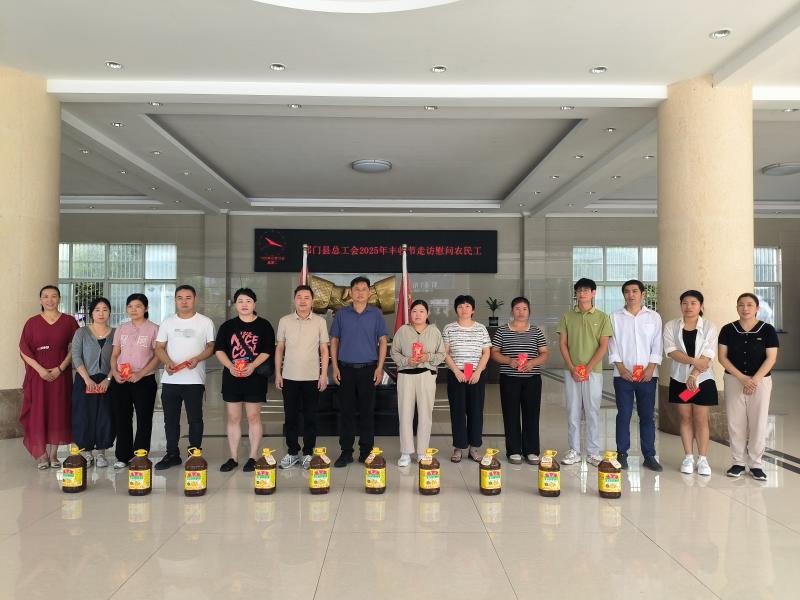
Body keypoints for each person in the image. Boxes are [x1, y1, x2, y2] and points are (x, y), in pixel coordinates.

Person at [718, 293, 779, 481]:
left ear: (757, 308)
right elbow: (722, 357)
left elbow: (771, 358)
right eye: (741, 305)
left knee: (758, 422)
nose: (745, 308)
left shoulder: (767, 330)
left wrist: (754, 380)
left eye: (750, 305)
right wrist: (743, 378)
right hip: (734, 380)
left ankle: (756, 464)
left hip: (761, 382)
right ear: (737, 308)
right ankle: (737, 462)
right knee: (735, 423)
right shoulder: (728, 329)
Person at [154, 285, 215, 470]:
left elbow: (211, 347)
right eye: (180, 298)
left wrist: (198, 358)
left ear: (195, 299)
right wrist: (167, 362)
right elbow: (159, 347)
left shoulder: (205, 322)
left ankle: (194, 454)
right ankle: (172, 454)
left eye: (188, 297)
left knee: (195, 418)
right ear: (175, 300)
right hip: (170, 379)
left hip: (194, 380)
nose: (184, 301)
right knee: (170, 420)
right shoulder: (167, 322)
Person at [330, 276, 388, 468]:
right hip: (345, 369)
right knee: (346, 412)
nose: (360, 292)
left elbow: (383, 341)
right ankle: (346, 452)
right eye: (357, 289)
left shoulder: (376, 314)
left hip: (369, 369)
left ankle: (366, 452)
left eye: (364, 289)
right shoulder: (341, 314)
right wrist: (335, 366)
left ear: (369, 293)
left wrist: (380, 367)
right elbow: (334, 341)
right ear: (351, 292)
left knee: (367, 412)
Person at [214, 288, 274, 472]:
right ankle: (233, 457)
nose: (244, 304)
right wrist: (230, 366)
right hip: (232, 377)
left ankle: (253, 456)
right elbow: (219, 350)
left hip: (254, 377)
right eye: (240, 301)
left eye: (248, 301)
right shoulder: (227, 326)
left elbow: (267, 350)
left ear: (254, 304)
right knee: (233, 417)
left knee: (253, 416)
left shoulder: (264, 325)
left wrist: (253, 365)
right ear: (235, 304)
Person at [19, 285, 79, 469]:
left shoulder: (69, 322)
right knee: (39, 412)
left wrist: (60, 368)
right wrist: (40, 370)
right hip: (38, 376)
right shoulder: (31, 323)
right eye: (45, 296)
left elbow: (75, 348)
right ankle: (42, 455)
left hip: (61, 375)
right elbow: (24, 349)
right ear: (40, 300)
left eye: (54, 296)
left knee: (58, 412)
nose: (50, 300)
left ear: (59, 299)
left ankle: (53, 455)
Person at [607, 280, 663, 471]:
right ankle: (622, 454)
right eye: (627, 291)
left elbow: (657, 344)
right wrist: (621, 368)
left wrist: (651, 368)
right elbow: (612, 345)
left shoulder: (654, 317)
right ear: (623, 294)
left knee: (647, 415)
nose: (631, 295)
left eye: (635, 291)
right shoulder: (615, 317)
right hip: (623, 376)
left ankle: (649, 455)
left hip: (648, 375)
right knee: (623, 414)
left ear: (642, 294)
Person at [557, 278, 613, 466]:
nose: (582, 293)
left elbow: (604, 346)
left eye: (586, 290)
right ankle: (574, 450)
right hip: (571, 371)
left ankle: (593, 452)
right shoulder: (567, 316)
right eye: (579, 290)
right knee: (572, 410)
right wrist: (572, 368)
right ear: (576, 293)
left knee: (592, 411)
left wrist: (587, 369)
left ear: (593, 293)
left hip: (593, 372)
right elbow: (563, 344)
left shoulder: (602, 317)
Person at [663, 290, 719, 476]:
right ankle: (688, 456)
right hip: (679, 378)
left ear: (701, 306)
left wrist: (694, 375)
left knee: (701, 419)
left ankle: (702, 459)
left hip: (703, 379)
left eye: (693, 303)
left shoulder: (709, 326)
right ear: (681, 305)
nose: (688, 306)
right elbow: (671, 351)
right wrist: (695, 362)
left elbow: (708, 354)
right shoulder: (671, 326)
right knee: (685, 418)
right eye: (685, 303)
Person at [274, 285, 329, 470]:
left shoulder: (320, 322)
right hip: (289, 377)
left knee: (310, 417)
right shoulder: (284, 321)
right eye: (299, 297)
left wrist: (323, 375)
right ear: (294, 300)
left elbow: (324, 350)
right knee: (290, 417)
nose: (303, 301)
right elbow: (279, 349)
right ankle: (292, 452)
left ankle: (308, 453)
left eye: (307, 297)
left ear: (312, 301)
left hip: (312, 378)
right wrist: (278, 373)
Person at [490, 297, 549, 465]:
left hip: (532, 379)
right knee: (511, 414)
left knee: (532, 414)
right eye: (517, 308)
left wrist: (532, 363)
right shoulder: (502, 330)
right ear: (512, 311)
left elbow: (544, 353)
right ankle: (514, 450)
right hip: (509, 378)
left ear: (529, 311)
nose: (521, 312)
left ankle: (531, 450)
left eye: (524, 309)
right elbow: (494, 352)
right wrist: (509, 361)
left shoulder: (536, 331)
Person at [391, 300, 445, 466]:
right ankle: (405, 453)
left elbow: (441, 354)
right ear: (410, 313)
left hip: (426, 376)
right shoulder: (402, 330)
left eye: (422, 311)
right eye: (414, 311)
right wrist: (407, 360)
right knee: (405, 414)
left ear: (427, 313)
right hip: (406, 376)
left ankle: (422, 451)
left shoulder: (434, 331)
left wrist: (427, 357)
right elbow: (394, 352)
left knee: (425, 414)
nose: (418, 314)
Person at [109, 293, 160, 469]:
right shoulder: (121, 329)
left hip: (144, 380)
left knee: (144, 418)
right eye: (130, 306)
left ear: (146, 308)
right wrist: (114, 372)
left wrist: (140, 374)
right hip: (121, 379)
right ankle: (123, 456)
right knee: (122, 418)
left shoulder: (154, 329)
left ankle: (140, 455)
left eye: (138, 306)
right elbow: (115, 354)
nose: (133, 310)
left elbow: (157, 356)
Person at [442, 294, 492, 463]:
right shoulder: (449, 328)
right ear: (456, 310)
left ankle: (474, 447)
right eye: (460, 306)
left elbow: (486, 353)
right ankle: (458, 447)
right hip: (456, 374)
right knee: (457, 411)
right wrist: (456, 371)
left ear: (473, 310)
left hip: (477, 374)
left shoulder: (481, 328)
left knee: (476, 411)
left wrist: (478, 372)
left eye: (467, 306)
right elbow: (445, 353)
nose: (464, 309)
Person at [71, 297, 115, 468]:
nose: (101, 313)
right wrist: (86, 378)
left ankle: (102, 453)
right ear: (91, 313)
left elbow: (118, 358)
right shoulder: (81, 332)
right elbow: (76, 356)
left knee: (105, 416)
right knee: (84, 416)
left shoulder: (116, 333)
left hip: (107, 381)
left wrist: (108, 379)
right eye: (97, 310)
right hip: (85, 380)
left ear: (109, 312)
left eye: (105, 309)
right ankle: (87, 452)